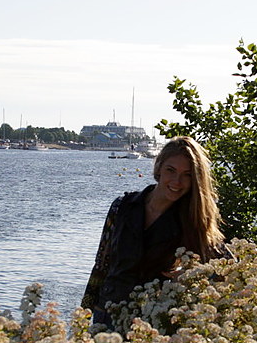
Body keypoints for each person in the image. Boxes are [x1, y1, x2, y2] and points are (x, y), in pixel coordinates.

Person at [82, 136, 225, 328]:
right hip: (106, 315)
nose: (177, 181)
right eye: (170, 170)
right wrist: (81, 318)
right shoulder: (121, 206)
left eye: (187, 175)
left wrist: (188, 276)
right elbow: (101, 264)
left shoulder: (193, 219)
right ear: (159, 168)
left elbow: (226, 269)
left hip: (152, 325)